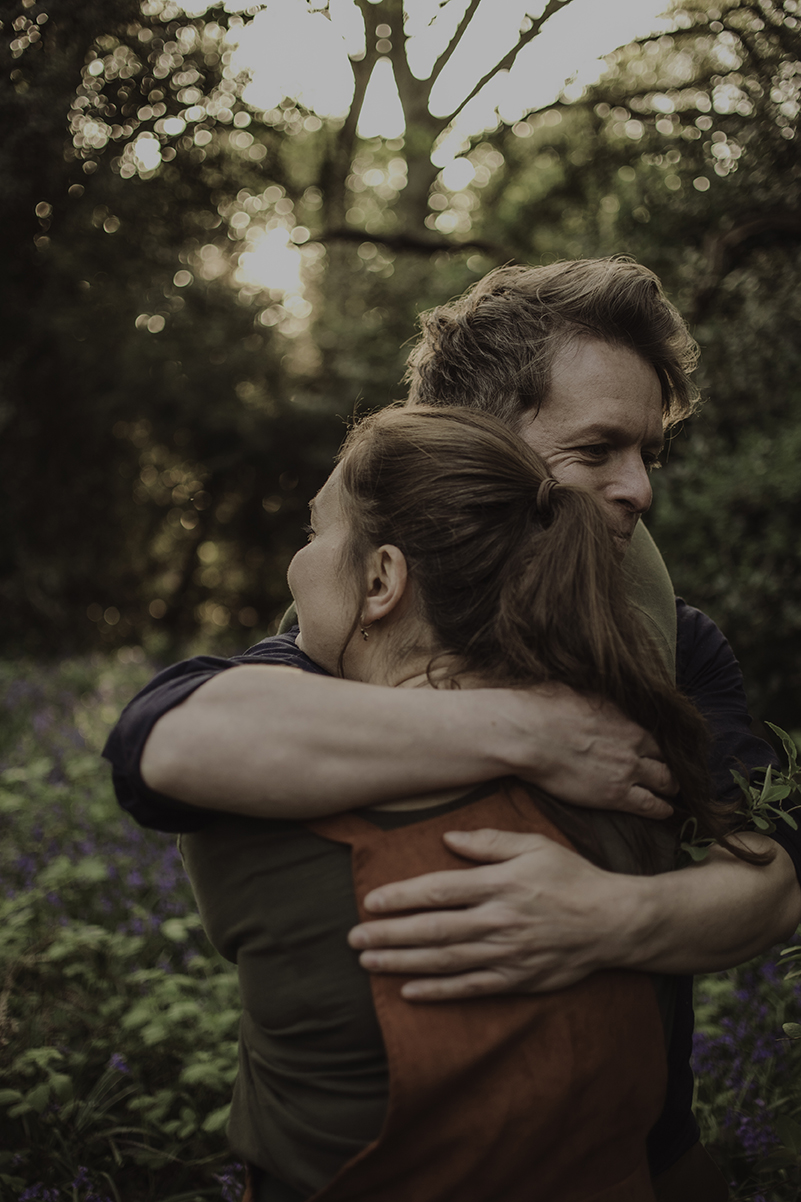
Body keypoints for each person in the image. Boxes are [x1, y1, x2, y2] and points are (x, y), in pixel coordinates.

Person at [104, 258, 801, 1196]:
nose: (639, 489)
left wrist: (605, 919)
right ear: (468, 439)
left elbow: (773, 880)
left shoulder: (672, 644)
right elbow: (162, 743)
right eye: (597, 450)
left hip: (648, 1153)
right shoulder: (336, 640)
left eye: (647, 453)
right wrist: (533, 731)